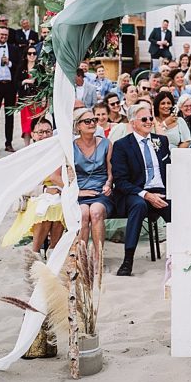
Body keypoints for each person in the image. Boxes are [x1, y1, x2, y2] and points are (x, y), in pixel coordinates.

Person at [111, 103, 172, 276]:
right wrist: (147, 195)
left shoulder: (161, 141)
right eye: (144, 119)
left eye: (151, 118)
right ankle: (127, 260)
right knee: (139, 206)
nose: (149, 122)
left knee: (177, 208)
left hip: (161, 190)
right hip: (135, 192)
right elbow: (120, 181)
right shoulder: (122, 145)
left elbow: (169, 169)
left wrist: (169, 192)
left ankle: (182, 255)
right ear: (132, 123)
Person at [0, 118, 65, 254]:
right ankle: (35, 252)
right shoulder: (27, 156)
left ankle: (53, 250)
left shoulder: (59, 152)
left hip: (58, 192)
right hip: (35, 195)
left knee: (59, 207)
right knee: (44, 210)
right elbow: (21, 186)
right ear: (33, 135)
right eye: (40, 132)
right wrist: (45, 190)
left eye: (48, 131)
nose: (45, 135)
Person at [70, 107, 114, 264]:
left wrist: (108, 184)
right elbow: (57, 176)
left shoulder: (106, 144)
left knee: (95, 212)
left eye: (94, 120)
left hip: (101, 191)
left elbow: (110, 172)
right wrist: (78, 192)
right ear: (78, 126)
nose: (92, 124)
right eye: (87, 121)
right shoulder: (70, 146)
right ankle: (81, 258)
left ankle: (98, 257)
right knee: (82, 214)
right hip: (80, 192)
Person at [0, 27, 21, 153]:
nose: (4, 36)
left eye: (6, 35)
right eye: (1, 34)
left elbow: (19, 65)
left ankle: (9, 143)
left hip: (9, 85)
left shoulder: (13, 49)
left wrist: (10, 63)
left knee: (9, 115)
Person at [17, 45, 44, 147]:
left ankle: (38, 145)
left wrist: (44, 98)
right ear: (26, 55)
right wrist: (25, 81)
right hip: (25, 100)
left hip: (38, 100)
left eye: (34, 53)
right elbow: (16, 83)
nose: (32, 55)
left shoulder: (40, 67)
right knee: (26, 124)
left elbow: (44, 84)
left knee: (38, 124)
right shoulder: (21, 67)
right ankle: (27, 147)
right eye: (29, 53)